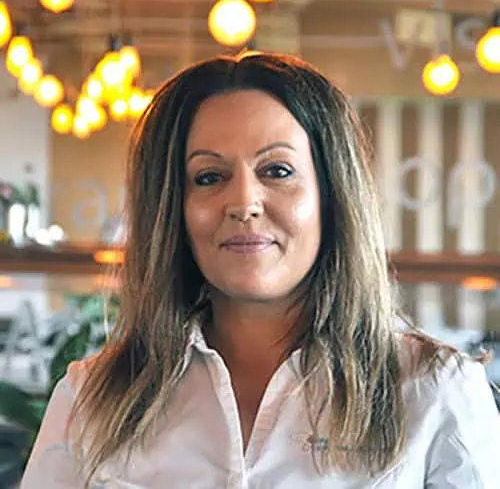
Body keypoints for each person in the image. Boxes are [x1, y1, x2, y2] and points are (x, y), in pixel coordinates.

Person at [21, 52, 499, 488]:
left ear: (332, 195)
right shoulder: (91, 399)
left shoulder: (434, 391)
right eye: (209, 177)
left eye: (278, 170)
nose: (244, 202)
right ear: (173, 209)